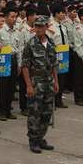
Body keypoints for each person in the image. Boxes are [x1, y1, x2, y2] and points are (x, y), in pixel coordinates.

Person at [21, 15, 59, 154]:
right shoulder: (30, 44)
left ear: (46, 27)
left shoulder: (51, 43)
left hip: (48, 81)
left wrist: (56, 81)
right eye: (36, 26)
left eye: (41, 26)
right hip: (36, 82)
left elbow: (54, 64)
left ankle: (41, 137)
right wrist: (29, 85)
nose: (38, 29)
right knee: (34, 113)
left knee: (47, 112)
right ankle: (33, 140)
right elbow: (25, 66)